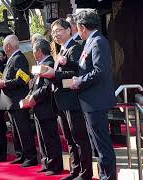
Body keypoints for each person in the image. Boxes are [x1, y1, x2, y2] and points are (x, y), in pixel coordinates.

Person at [40, 18, 93, 180]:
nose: (55, 34)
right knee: (69, 139)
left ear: (69, 30)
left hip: (72, 99)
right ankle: (75, 170)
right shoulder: (61, 50)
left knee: (79, 138)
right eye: (54, 32)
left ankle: (85, 173)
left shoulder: (75, 48)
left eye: (59, 31)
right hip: (61, 100)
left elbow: (78, 73)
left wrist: (55, 73)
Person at [71, 9, 117, 179]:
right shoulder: (91, 42)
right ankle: (104, 175)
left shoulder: (97, 42)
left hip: (96, 101)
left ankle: (108, 177)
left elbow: (99, 71)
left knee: (102, 144)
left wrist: (79, 81)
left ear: (82, 27)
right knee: (96, 144)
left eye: (77, 27)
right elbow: (86, 66)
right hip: (90, 102)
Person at [0, 35, 38, 167]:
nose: (4, 48)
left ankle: (31, 156)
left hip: (17, 100)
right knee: (16, 131)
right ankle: (21, 154)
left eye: (4, 45)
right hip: (11, 101)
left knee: (23, 130)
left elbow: (23, 79)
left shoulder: (19, 58)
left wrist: (4, 83)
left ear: (8, 46)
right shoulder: (11, 58)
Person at [24, 39, 63, 175]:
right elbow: (35, 85)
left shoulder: (48, 63)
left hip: (47, 106)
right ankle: (46, 162)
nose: (33, 53)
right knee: (41, 137)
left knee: (50, 137)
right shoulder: (39, 64)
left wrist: (34, 97)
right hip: (38, 107)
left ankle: (55, 165)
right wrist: (29, 96)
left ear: (39, 51)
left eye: (34, 50)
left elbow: (47, 87)